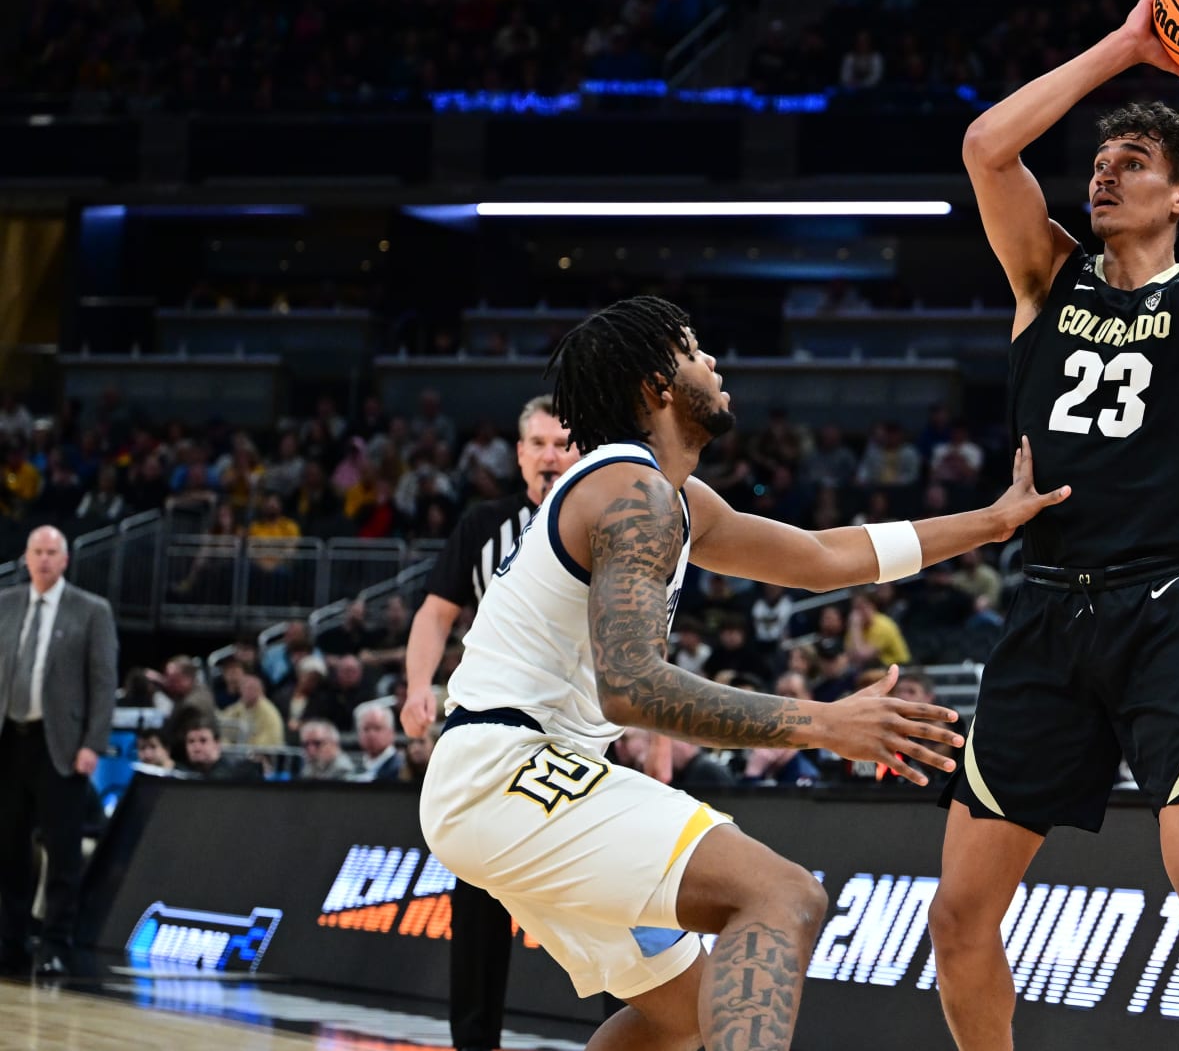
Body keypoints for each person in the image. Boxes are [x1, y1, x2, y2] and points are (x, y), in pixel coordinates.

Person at [418, 297, 1069, 1051]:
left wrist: (990, 523)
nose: (714, 362)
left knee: (687, 1013)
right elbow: (633, 687)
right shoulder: (630, 492)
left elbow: (824, 558)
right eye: (694, 348)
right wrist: (823, 722)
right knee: (781, 894)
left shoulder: (671, 496)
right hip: (510, 768)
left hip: (512, 779)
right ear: (657, 385)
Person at [929, 0, 1179, 1051]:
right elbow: (986, 147)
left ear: (1178, 194)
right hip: (1046, 612)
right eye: (1099, 161)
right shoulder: (1046, 278)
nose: (1102, 175)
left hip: (1164, 608)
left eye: (1130, 163)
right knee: (957, 915)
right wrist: (1129, 45)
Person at [400, 394, 580, 1051]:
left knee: (612, 897)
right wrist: (419, 685)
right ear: (520, 453)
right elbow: (435, 613)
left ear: (581, 450)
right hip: (492, 732)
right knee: (478, 900)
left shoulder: (604, 520)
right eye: (538, 443)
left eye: (562, 442)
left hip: (576, 732)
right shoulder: (485, 524)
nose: (551, 455)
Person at [0, 525, 118, 977]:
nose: (44, 560)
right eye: (37, 552)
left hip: (62, 748)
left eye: (52, 552)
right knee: (8, 849)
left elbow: (104, 683)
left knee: (63, 850)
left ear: (65, 560)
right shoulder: (7, 604)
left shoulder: (91, 611)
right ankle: (11, 940)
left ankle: (55, 943)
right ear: (26, 558)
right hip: (10, 741)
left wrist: (93, 743)